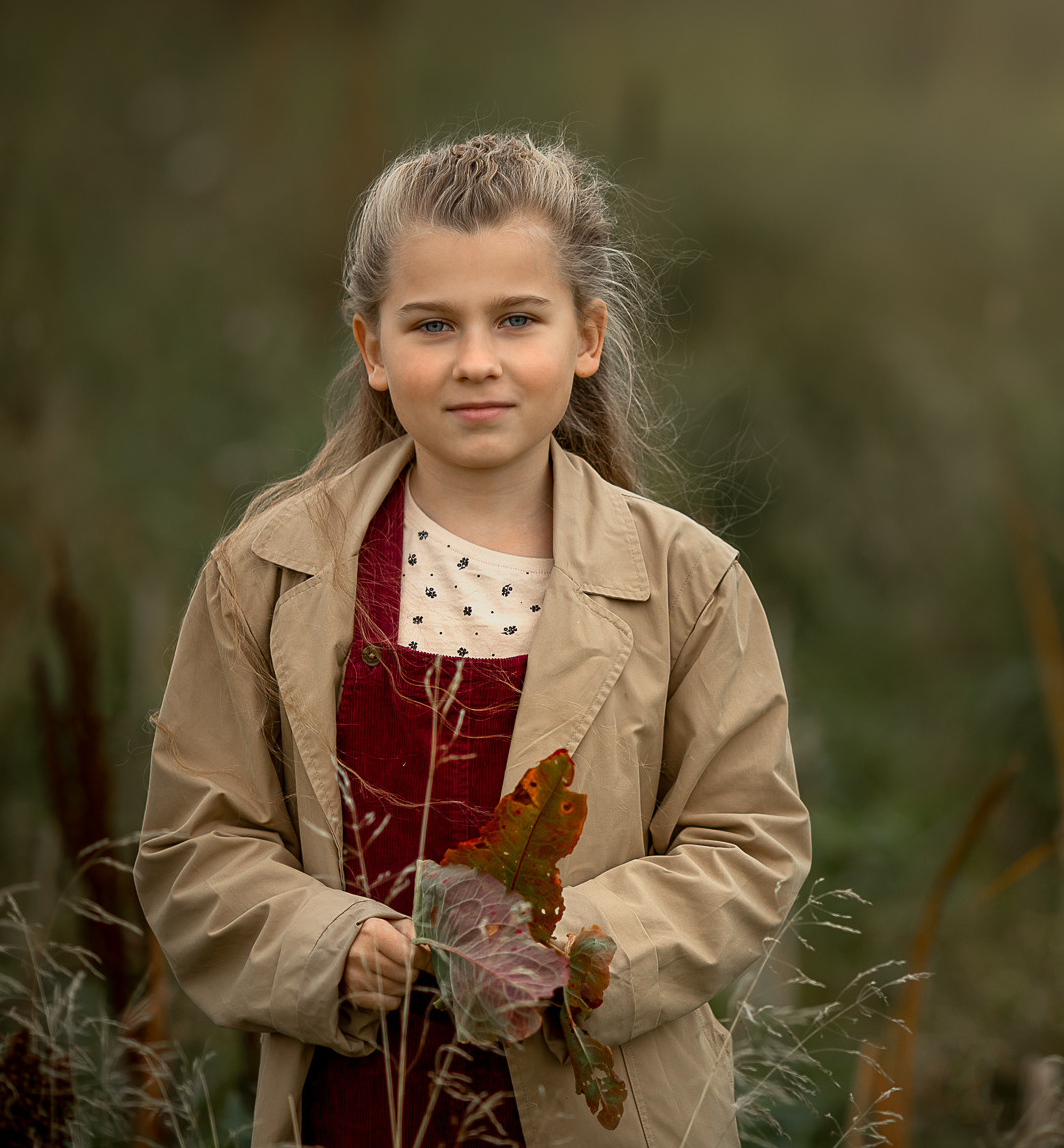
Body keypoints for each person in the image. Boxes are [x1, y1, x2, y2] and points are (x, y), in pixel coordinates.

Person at [134, 134, 811, 1148]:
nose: (476, 360)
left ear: (585, 337)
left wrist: (570, 950)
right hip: (355, 1111)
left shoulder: (688, 585)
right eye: (432, 324)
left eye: (516, 319)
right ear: (371, 348)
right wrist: (332, 944)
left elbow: (745, 844)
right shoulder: (265, 577)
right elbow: (196, 847)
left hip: (599, 1115)